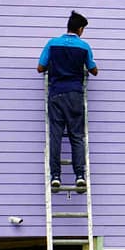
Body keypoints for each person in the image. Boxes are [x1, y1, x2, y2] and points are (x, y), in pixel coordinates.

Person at [37, 11, 98, 192]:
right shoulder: (84, 46)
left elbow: (40, 68)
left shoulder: (52, 43)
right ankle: (80, 176)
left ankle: (55, 176)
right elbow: (93, 70)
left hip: (56, 94)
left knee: (55, 137)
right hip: (75, 95)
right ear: (80, 29)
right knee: (76, 136)